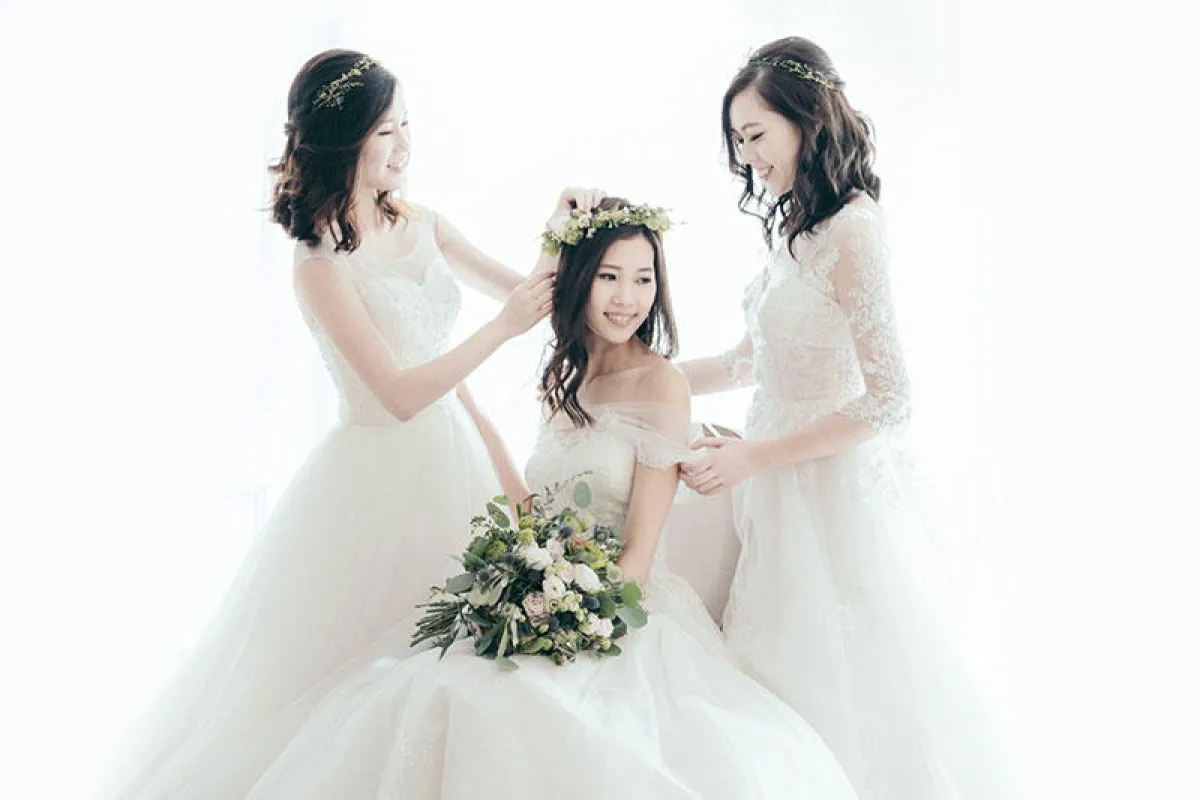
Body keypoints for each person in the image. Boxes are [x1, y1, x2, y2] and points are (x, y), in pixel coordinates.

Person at [226, 197, 861, 799]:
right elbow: (535, 511)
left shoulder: (662, 382)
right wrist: (475, 423)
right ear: (579, 279)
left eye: (644, 279)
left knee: (515, 705)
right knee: (429, 686)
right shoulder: (565, 376)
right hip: (550, 593)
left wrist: (571, 618)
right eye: (609, 277)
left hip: (621, 611)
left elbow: (639, 557)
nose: (628, 298)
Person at [97, 49, 558, 799]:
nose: (405, 145)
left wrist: (565, 231)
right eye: (387, 131)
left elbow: (529, 294)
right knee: (362, 676)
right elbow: (400, 394)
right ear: (346, 139)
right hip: (373, 484)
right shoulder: (318, 263)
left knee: (471, 665)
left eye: (407, 125)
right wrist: (503, 328)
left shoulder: (424, 223)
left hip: (456, 461)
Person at [678, 36, 1014, 799]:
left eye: (755, 135)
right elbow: (746, 362)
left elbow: (890, 398)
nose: (746, 157)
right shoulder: (797, 225)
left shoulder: (854, 229)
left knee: (835, 694)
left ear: (806, 120)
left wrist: (755, 456)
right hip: (774, 491)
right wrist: (638, 376)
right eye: (737, 141)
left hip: (826, 498)